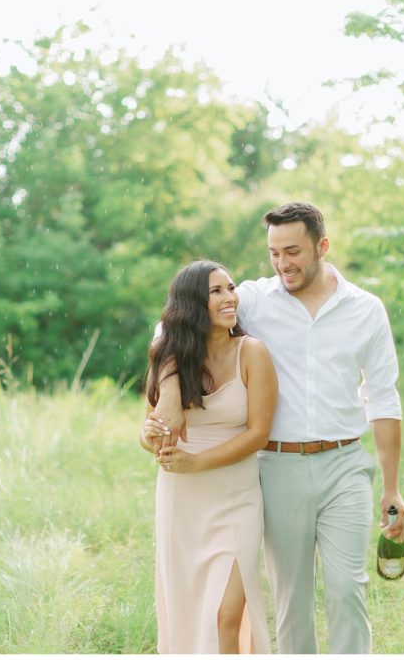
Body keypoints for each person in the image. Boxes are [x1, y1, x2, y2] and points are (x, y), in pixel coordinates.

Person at [148, 202, 404, 654]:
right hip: (278, 467)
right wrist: (169, 390)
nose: (283, 264)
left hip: (345, 463)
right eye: (274, 253)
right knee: (292, 600)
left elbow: (383, 398)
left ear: (322, 246)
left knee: (348, 588)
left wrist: (392, 489)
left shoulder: (366, 310)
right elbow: (173, 322)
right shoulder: (252, 298)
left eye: (293, 251)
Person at [139, 259, 278, 654]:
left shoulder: (252, 352)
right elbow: (147, 431)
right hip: (180, 498)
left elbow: (258, 434)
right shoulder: (170, 358)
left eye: (230, 288)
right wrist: (150, 436)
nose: (229, 297)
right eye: (215, 292)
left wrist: (198, 462)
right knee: (185, 607)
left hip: (235, 496)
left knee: (225, 615)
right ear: (192, 305)